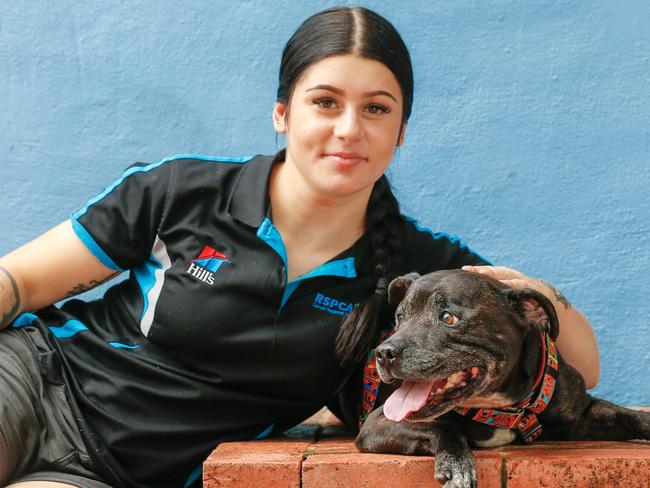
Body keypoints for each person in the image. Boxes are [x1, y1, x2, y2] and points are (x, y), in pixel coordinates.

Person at [0, 6, 599, 488]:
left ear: (400, 132)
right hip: (33, 382)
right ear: (283, 112)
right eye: (325, 102)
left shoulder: (418, 270)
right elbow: (21, 282)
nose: (348, 129)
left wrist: (536, 292)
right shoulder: (181, 191)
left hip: (121, 472)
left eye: (376, 110)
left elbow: (585, 368)